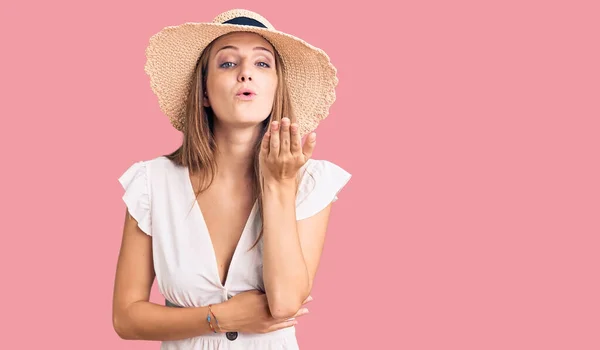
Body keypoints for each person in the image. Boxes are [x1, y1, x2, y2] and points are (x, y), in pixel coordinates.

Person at [112, 9, 351, 350]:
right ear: (205, 93)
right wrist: (220, 318)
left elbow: (284, 303)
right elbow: (126, 318)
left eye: (262, 64)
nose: (245, 74)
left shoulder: (311, 181)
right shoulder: (153, 182)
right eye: (227, 64)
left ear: (275, 88)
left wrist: (279, 185)